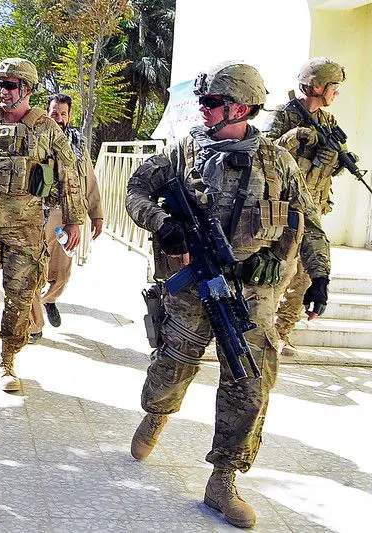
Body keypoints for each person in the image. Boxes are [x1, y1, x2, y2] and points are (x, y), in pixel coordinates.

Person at [125, 62, 330, 528]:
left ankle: (224, 478)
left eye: (212, 101)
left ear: (239, 107)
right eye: (203, 100)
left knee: (250, 379)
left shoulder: (277, 161)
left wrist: (319, 275)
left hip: (254, 290)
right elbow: (136, 191)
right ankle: (157, 414)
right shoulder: (182, 153)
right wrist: (165, 226)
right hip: (193, 282)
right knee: (173, 364)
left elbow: (310, 220)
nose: (203, 107)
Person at [0, 58, 86, 391]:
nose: (3, 91)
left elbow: (69, 174)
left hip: (26, 226)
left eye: (10, 85)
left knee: (20, 297)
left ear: (26, 89)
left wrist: (73, 219)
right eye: (0, 84)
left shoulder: (46, 128)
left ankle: (8, 360)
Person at [264, 58, 345, 357]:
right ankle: (260, 329)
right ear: (317, 86)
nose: (337, 93)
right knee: (277, 273)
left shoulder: (328, 123)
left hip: (312, 210)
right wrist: (294, 137)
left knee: (305, 277)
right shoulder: (282, 117)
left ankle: (283, 331)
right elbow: (266, 155)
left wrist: (332, 158)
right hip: (282, 212)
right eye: (334, 87)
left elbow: (333, 167)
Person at [28, 93, 104, 343]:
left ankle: (49, 300)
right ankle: (34, 325)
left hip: (68, 217)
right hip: (40, 214)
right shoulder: (36, 140)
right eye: (54, 113)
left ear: (69, 116)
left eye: (63, 114)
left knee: (61, 274)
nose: (58, 118)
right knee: (33, 270)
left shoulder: (78, 143)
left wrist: (96, 214)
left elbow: (89, 180)